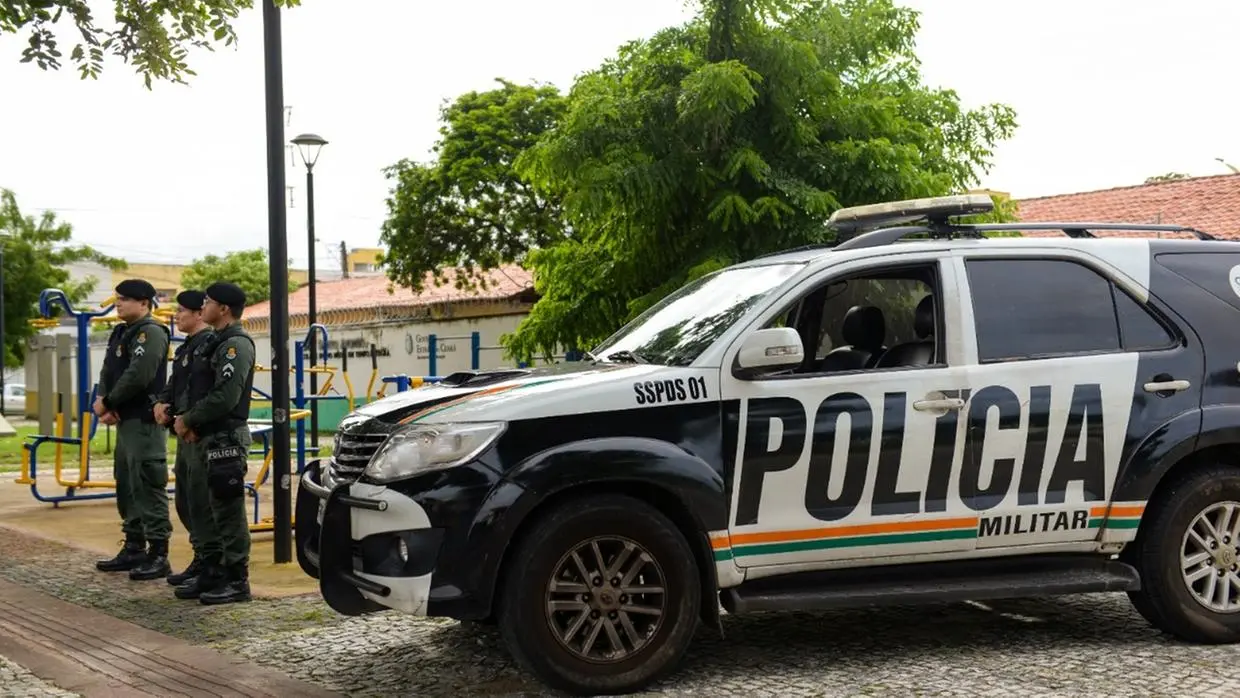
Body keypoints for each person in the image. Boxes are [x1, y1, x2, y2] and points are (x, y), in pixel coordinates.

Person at [174, 281, 256, 605]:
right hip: (206, 435)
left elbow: (226, 396)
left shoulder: (236, 344)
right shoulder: (214, 342)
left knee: (227, 510)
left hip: (225, 438)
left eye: (207, 302)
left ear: (223, 309)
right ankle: (213, 570)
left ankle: (237, 579)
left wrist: (189, 419)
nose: (202, 306)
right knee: (203, 508)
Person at [93, 279, 174, 580]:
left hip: (144, 422)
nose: (119, 303)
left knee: (147, 483)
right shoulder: (121, 332)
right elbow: (108, 370)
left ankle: (158, 553)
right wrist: (104, 400)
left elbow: (139, 375)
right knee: (126, 484)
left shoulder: (150, 332)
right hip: (125, 420)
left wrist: (109, 401)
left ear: (144, 303)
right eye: (118, 298)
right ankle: (134, 546)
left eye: (126, 299)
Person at [153, 290, 219, 598]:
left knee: (203, 502)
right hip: (182, 430)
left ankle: (212, 563)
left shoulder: (210, 344)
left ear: (197, 314)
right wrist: (161, 404)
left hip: (199, 432)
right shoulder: (186, 348)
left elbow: (206, 390)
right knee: (186, 501)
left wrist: (193, 422)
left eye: (182, 311)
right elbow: (175, 385)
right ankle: (201, 556)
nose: (176, 316)